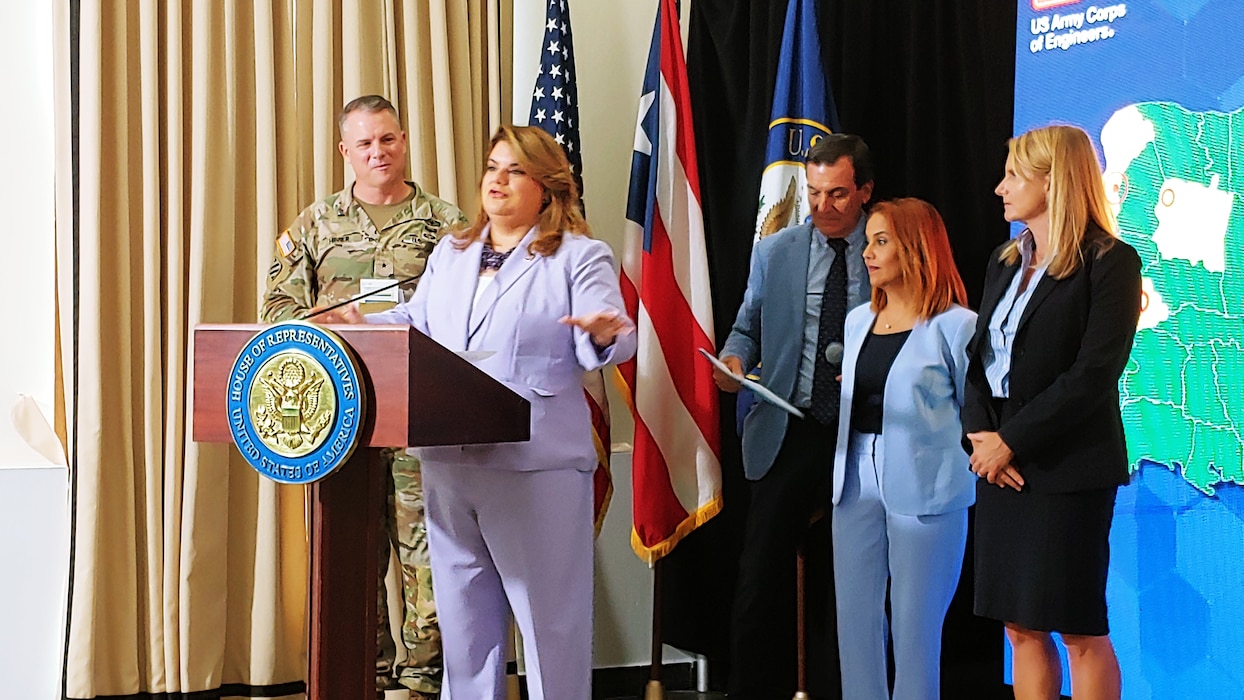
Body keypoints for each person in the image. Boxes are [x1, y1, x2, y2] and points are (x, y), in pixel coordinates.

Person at [326, 125, 635, 700]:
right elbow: (418, 322)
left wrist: (604, 334)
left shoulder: (578, 256)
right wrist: (362, 326)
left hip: (534, 463)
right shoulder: (454, 250)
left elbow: (611, 331)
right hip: (449, 459)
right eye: (493, 167)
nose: (498, 180)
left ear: (547, 187)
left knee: (550, 627)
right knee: (464, 630)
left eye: (515, 170)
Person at [261, 94, 467, 699]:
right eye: (366, 143)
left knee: (426, 553)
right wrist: (326, 319)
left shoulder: (447, 226)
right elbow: (277, 311)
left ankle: (426, 681)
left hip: (420, 419)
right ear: (345, 151)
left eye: (389, 139)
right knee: (351, 553)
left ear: (404, 141)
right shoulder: (315, 225)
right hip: (338, 421)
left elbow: (470, 315)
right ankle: (362, 675)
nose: (379, 153)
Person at [963, 124, 1141, 700]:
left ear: (1054, 181)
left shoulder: (1109, 261)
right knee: (1020, 626)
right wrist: (980, 437)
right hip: (1000, 464)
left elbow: (1094, 373)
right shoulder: (1004, 260)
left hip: (1067, 466)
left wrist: (1011, 441)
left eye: (1014, 175)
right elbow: (977, 358)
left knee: (1078, 628)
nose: (1000, 188)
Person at [713, 134, 874, 699]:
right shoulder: (775, 252)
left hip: (866, 431)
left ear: (864, 192)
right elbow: (746, 327)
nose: (822, 207)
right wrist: (733, 360)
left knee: (853, 577)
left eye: (837, 194)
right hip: (791, 426)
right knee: (760, 576)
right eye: (813, 192)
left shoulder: (887, 248)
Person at [830, 198, 976, 699]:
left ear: (915, 248)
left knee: (915, 628)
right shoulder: (856, 323)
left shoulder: (956, 325)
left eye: (881, 241)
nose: (867, 252)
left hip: (926, 484)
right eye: (867, 241)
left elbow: (976, 412)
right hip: (853, 478)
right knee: (854, 620)